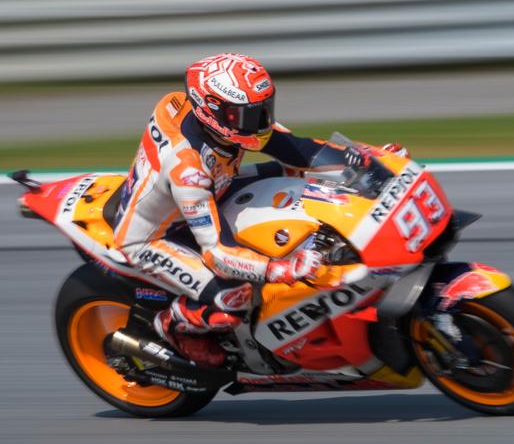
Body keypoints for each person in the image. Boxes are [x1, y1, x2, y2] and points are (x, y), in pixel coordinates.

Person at [113, 53, 406, 367]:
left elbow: (298, 150)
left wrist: (366, 162)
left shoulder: (209, 119)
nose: (260, 122)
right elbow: (218, 252)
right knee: (233, 296)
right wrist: (281, 269)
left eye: (263, 110)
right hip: (155, 236)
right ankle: (172, 326)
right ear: (210, 110)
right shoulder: (189, 170)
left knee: (297, 180)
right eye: (245, 115)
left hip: (214, 188)